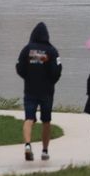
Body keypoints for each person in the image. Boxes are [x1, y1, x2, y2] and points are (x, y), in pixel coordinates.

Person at [16, 22, 62, 161]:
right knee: (46, 121)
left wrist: (28, 77)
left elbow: (19, 67)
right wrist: (51, 81)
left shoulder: (26, 50)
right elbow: (57, 71)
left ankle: (28, 145)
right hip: (47, 91)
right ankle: (45, 151)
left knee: (29, 118)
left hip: (30, 89)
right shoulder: (52, 51)